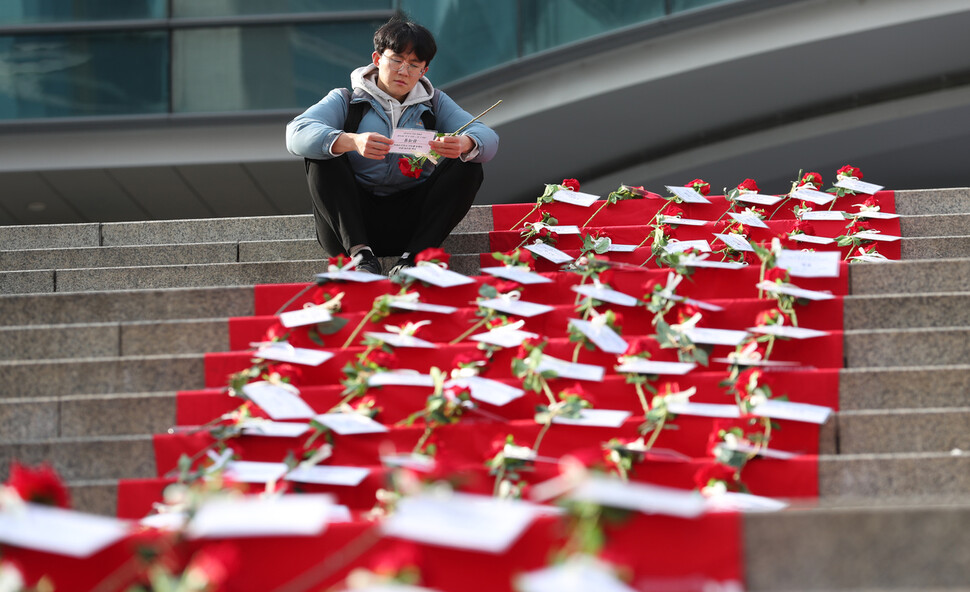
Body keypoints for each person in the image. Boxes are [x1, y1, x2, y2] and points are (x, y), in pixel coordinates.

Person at [285, 16, 499, 276]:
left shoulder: (434, 103)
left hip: (412, 222)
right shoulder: (346, 100)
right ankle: (360, 256)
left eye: (414, 65)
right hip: (350, 226)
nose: (403, 71)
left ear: (424, 71)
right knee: (322, 153)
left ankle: (414, 259)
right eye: (396, 60)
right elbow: (295, 133)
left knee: (469, 163)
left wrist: (464, 143)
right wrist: (351, 141)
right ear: (377, 59)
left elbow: (488, 138)